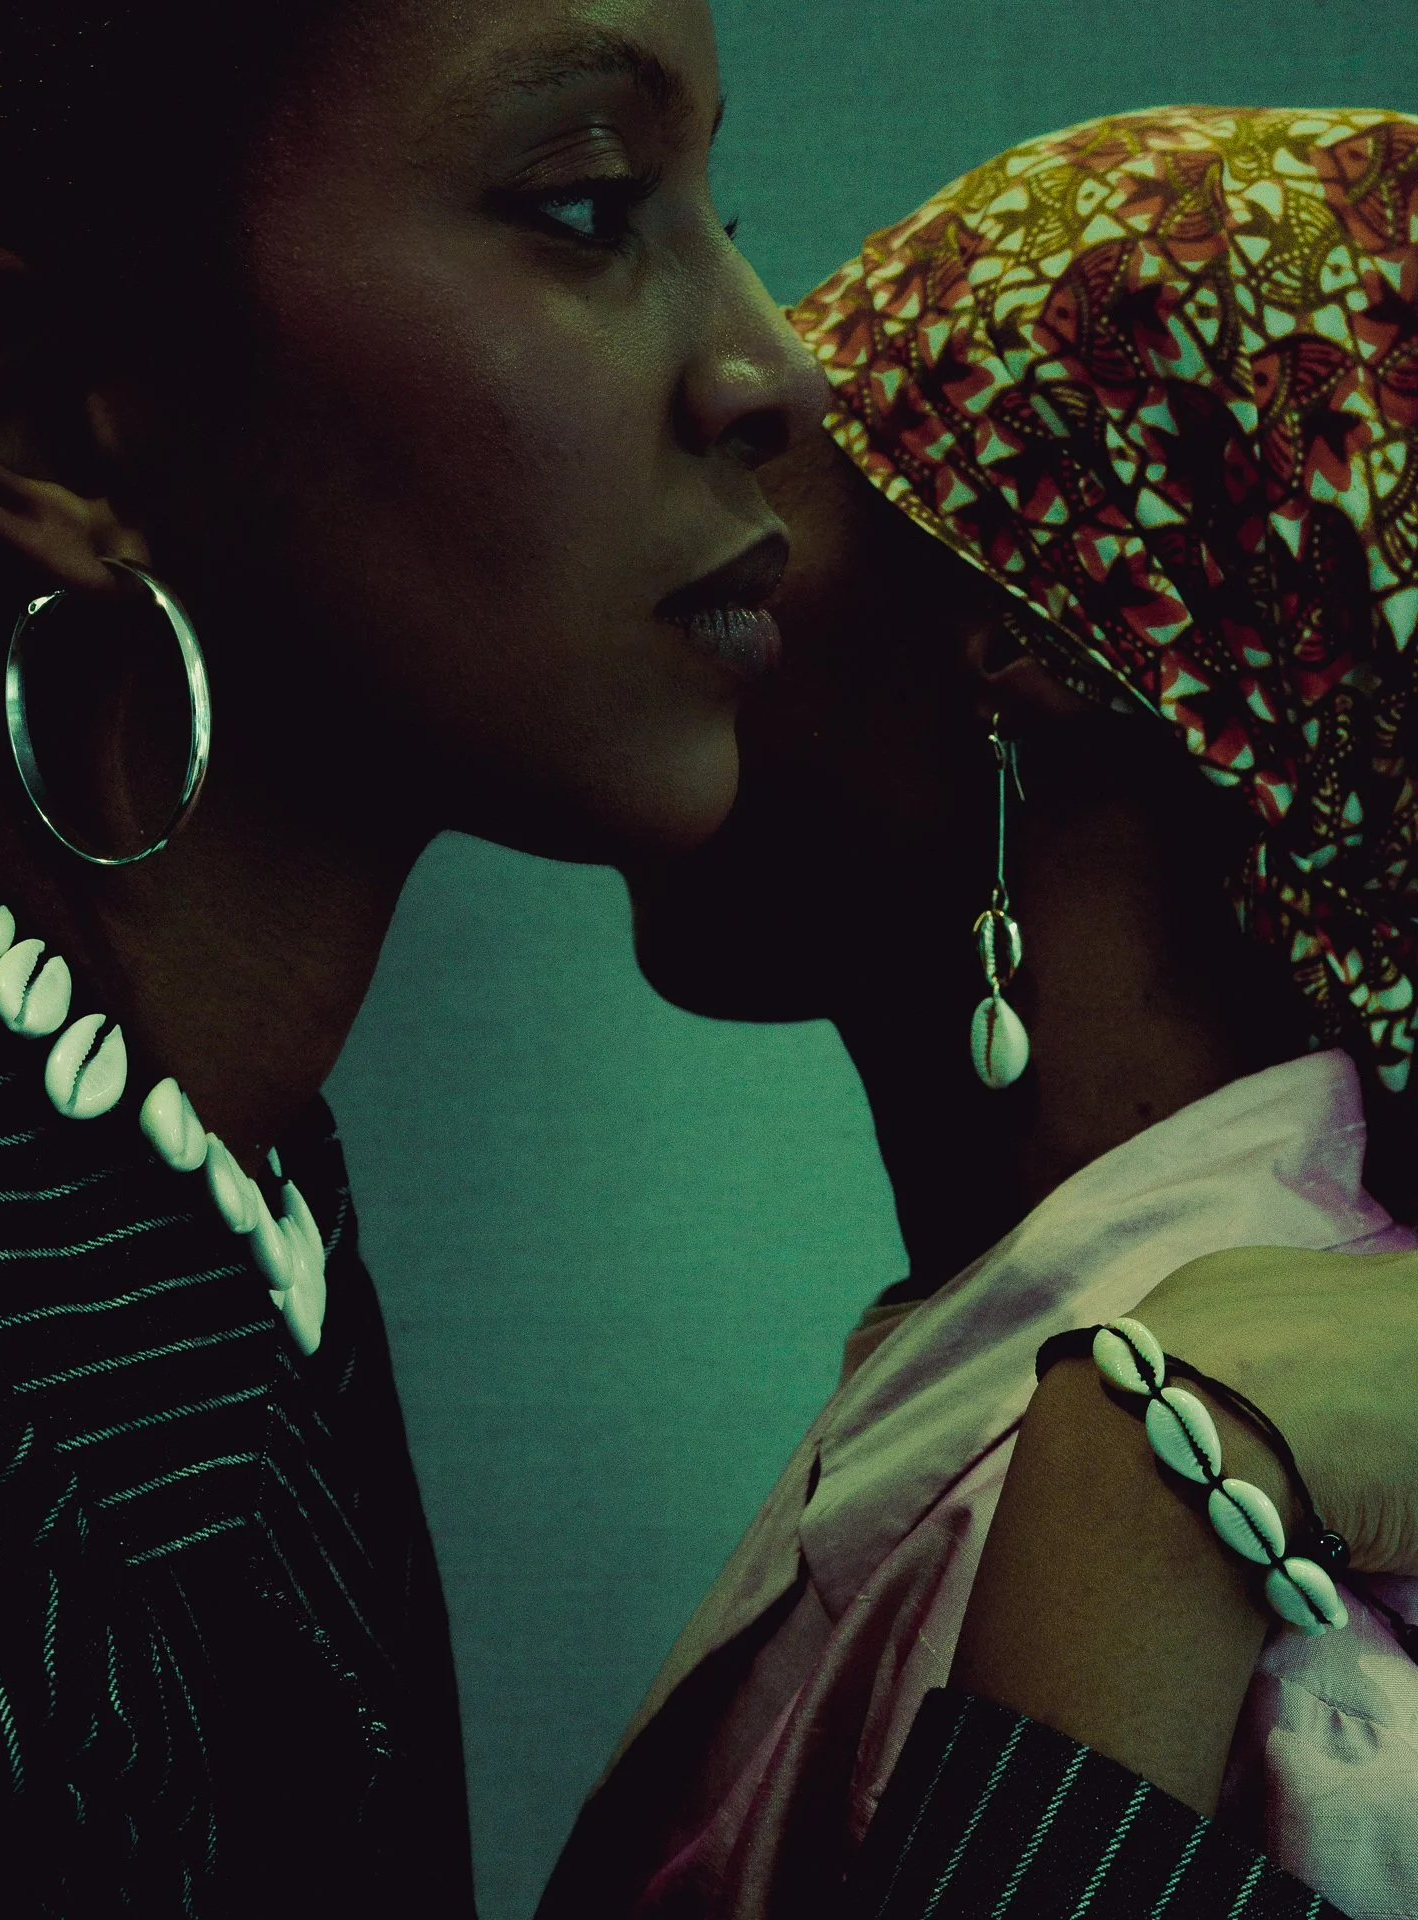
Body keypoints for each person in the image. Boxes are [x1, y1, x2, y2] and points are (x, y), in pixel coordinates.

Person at [0, 0, 822, 1910]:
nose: (778, 373)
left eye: (721, 206)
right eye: (588, 206)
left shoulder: (222, 1160)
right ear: (49, 425)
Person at [538, 106, 1418, 1918]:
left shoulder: (1261, 1641)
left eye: (769, 508)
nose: (682, 570)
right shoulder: (1033, 1390)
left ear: (1039, 640)